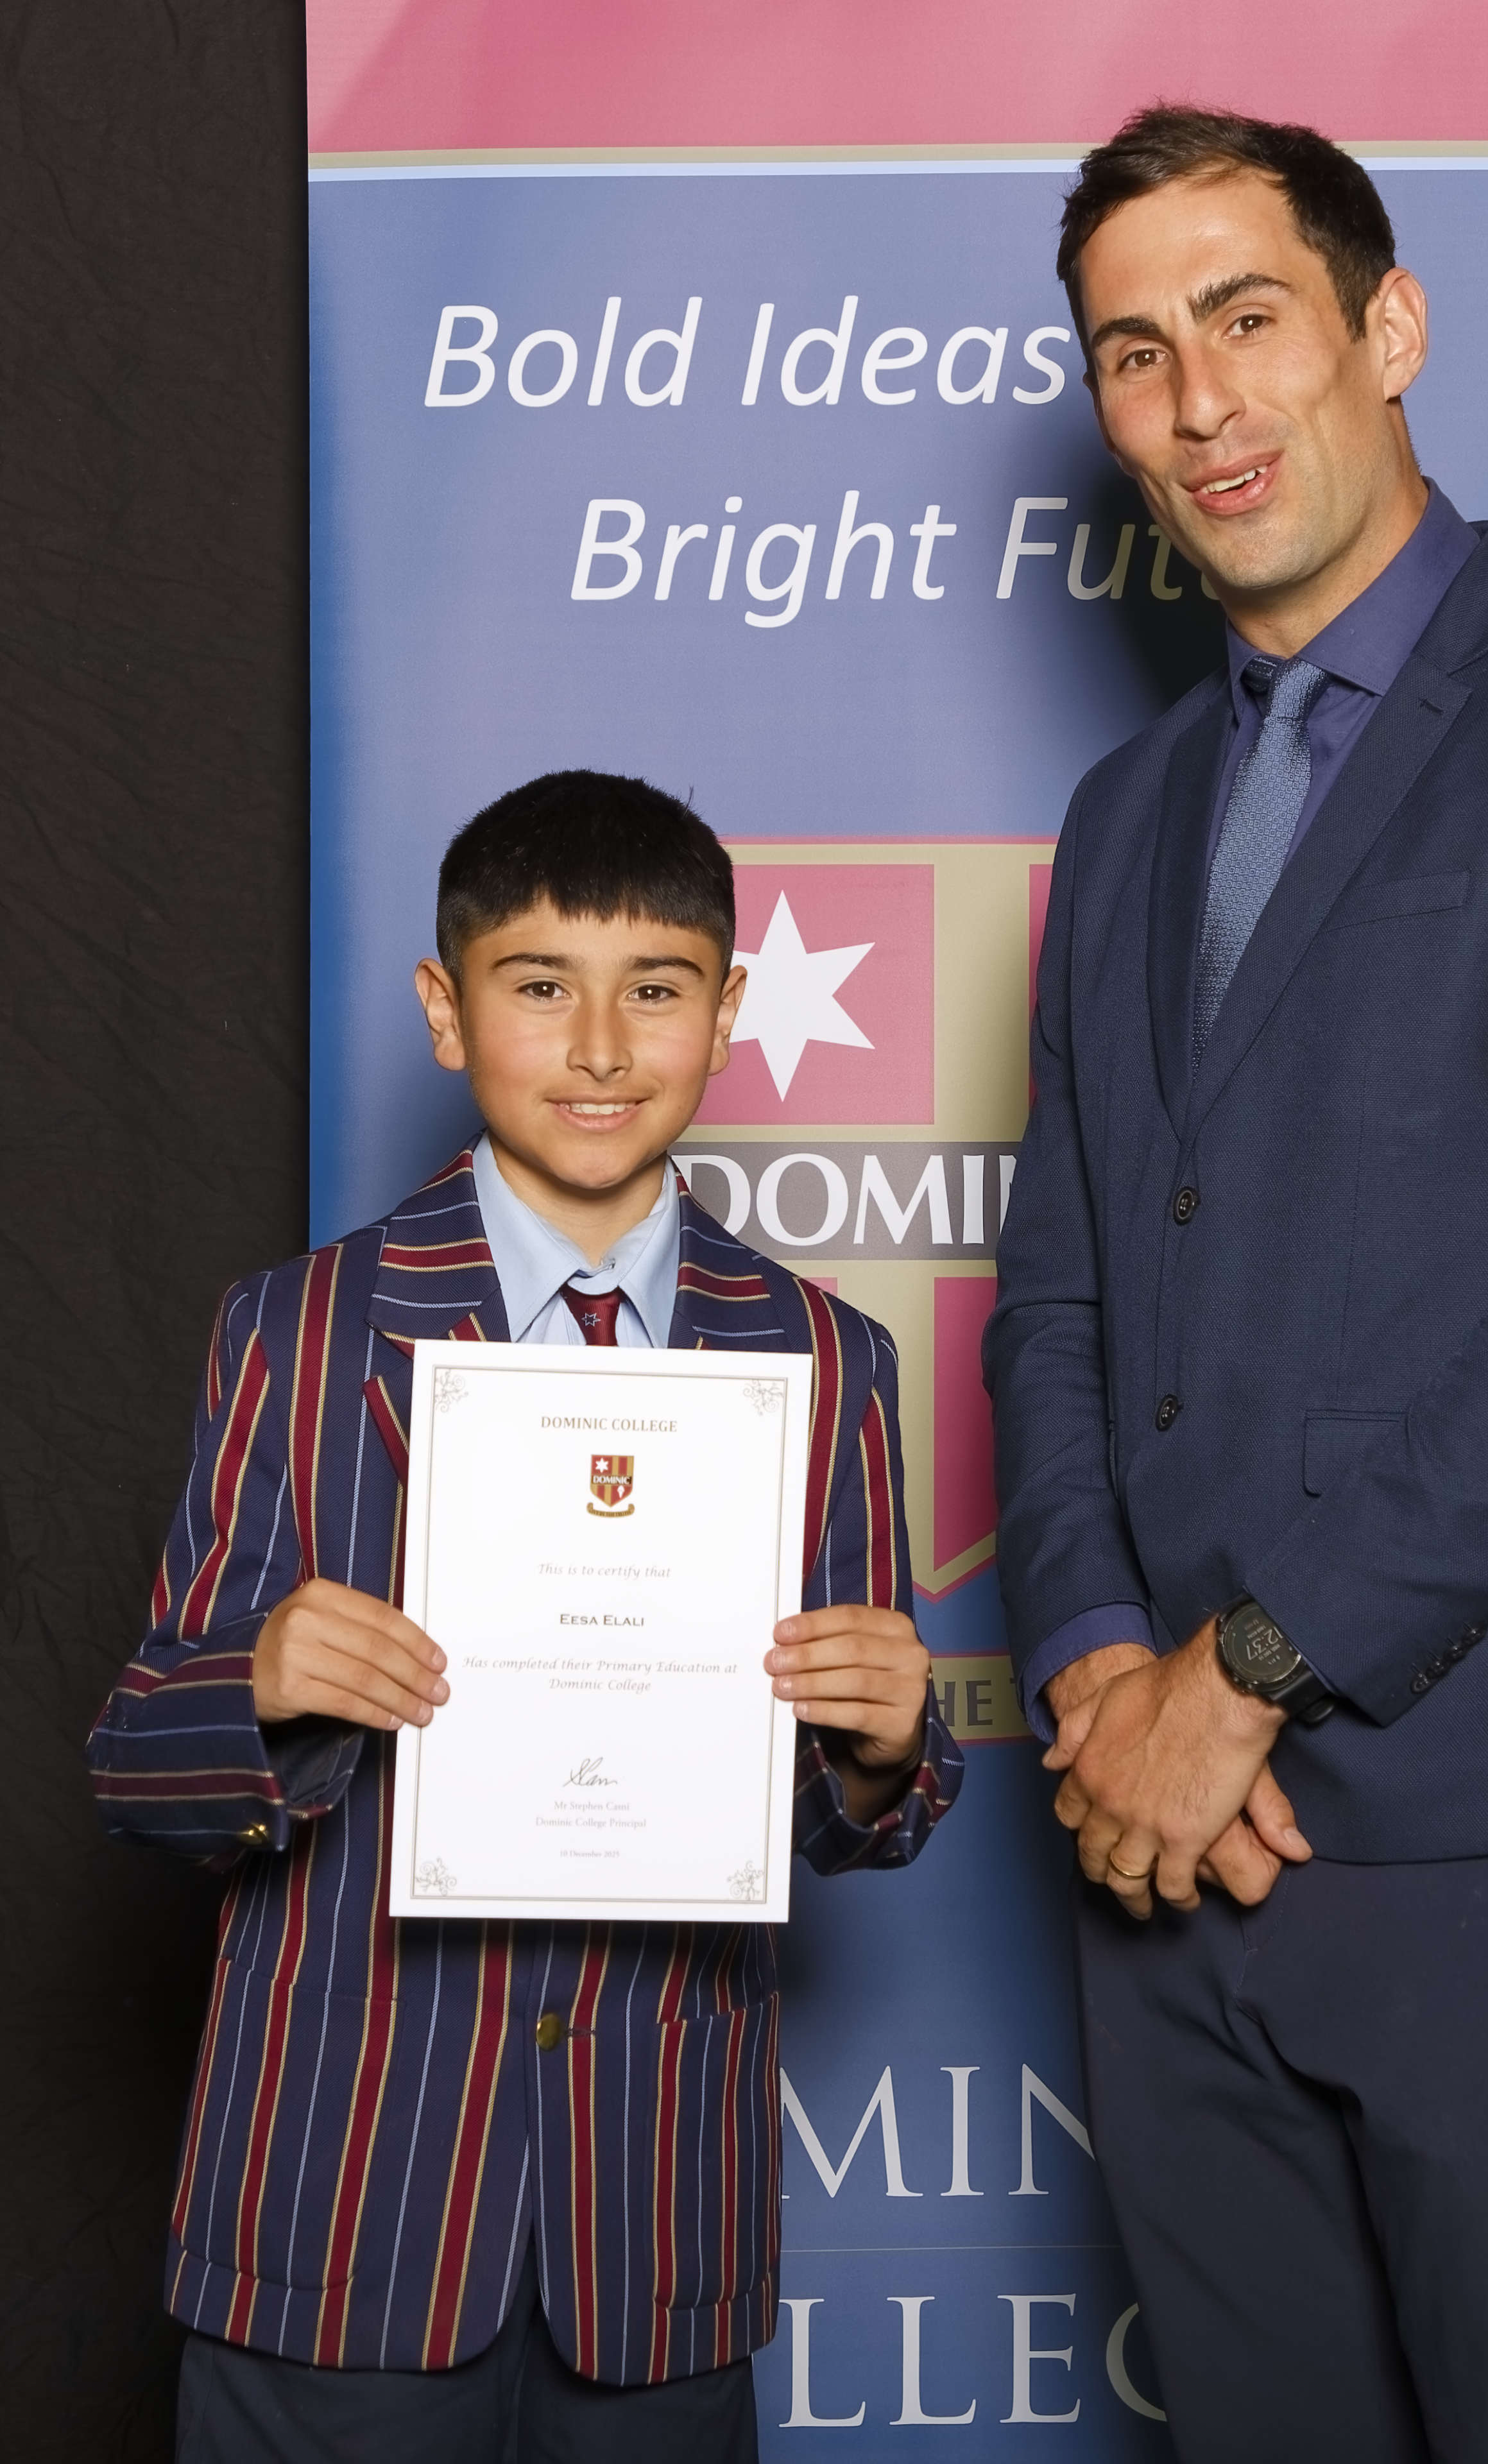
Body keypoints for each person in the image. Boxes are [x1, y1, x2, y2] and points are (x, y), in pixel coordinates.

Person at [984, 106, 1488, 2463]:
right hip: (1170, 1846)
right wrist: (1097, 1669)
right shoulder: (1128, 811)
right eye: (1136, 354)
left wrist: (1242, 1673)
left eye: (1248, 320)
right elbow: (1058, 1304)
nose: (1201, 403)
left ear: (1391, 328)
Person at [87, 770, 963, 2461]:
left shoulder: (824, 1357)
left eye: (658, 989)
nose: (603, 1047)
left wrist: (880, 1749)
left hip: (659, 2231)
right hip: (342, 2205)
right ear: (445, 1009)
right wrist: (256, 1684)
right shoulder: (300, 1331)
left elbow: (878, 1807)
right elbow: (137, 1769)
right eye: (541, 986)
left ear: (730, 1015)